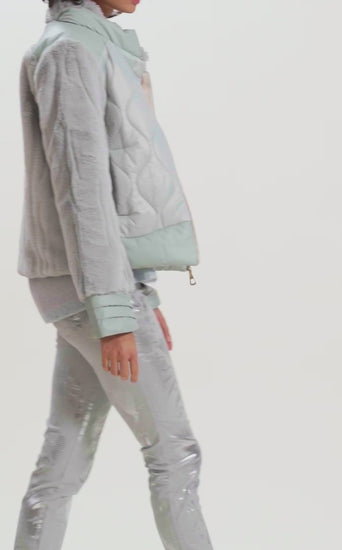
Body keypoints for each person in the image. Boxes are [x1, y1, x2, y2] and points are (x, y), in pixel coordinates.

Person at [13, 1, 215, 549]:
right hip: (93, 287)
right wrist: (116, 309)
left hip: (92, 283)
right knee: (174, 453)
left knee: (63, 458)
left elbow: (115, 186)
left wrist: (141, 291)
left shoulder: (88, 46)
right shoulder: (71, 51)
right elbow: (82, 191)